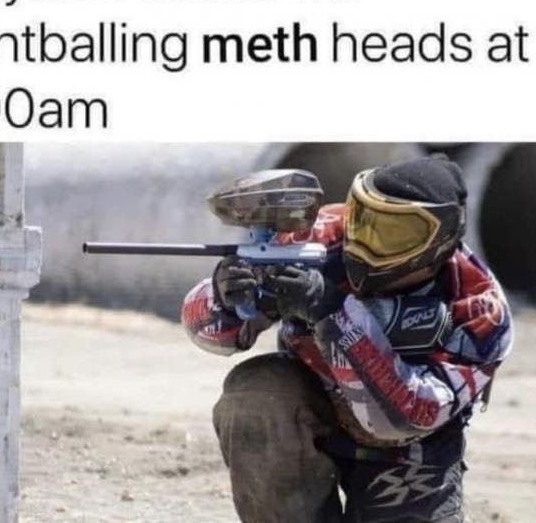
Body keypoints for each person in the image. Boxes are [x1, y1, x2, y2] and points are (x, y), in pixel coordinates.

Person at [181, 155, 513, 523]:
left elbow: (410, 416)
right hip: (309, 412)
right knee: (255, 394)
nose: (363, 243)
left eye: (392, 234)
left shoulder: (479, 311)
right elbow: (212, 335)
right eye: (362, 219)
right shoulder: (316, 238)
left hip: (409, 448)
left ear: (439, 242)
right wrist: (225, 299)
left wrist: (333, 315)